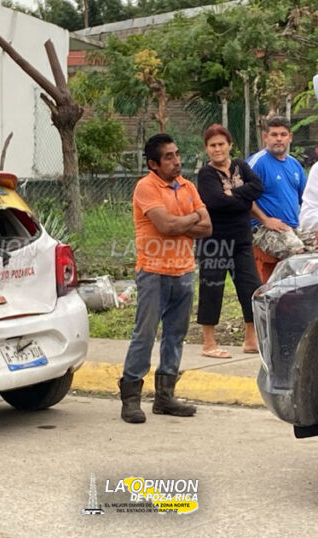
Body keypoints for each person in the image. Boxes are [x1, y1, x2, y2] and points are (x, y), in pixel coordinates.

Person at [119, 133, 212, 424]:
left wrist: (179, 225)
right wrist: (188, 221)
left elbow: (207, 227)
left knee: (175, 335)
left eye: (177, 154)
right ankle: (131, 398)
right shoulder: (146, 187)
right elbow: (165, 225)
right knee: (144, 335)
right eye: (169, 157)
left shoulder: (187, 186)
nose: (176, 160)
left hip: (184, 272)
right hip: (153, 272)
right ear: (153, 164)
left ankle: (165, 396)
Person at [195, 124, 264, 358]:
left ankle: (251, 339)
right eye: (212, 145)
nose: (217, 149)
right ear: (206, 149)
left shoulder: (241, 166)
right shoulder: (206, 174)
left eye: (221, 144)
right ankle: (208, 342)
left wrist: (233, 195)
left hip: (242, 239)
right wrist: (243, 199)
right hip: (214, 241)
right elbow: (214, 201)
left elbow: (258, 188)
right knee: (212, 288)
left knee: (251, 287)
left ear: (229, 145)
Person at [247, 116, 309, 282]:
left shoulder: (294, 164)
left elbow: (308, 198)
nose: (279, 139)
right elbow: (241, 197)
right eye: (274, 135)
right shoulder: (257, 163)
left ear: (290, 137)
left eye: (283, 134)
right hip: (264, 229)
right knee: (299, 255)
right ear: (265, 137)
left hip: (293, 226)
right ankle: (277, 291)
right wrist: (265, 220)